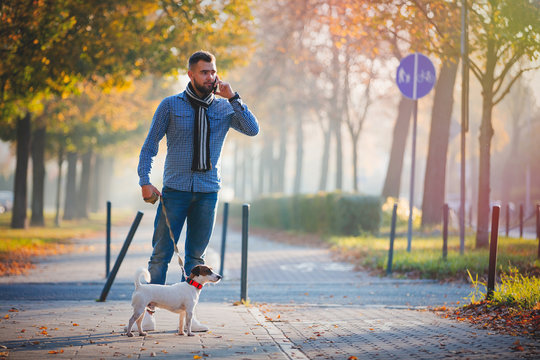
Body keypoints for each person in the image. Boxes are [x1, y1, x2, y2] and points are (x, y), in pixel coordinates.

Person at [137, 50, 259, 331]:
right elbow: (149, 146)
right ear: (190, 74)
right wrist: (145, 179)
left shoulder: (224, 107)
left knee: (196, 258)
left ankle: (189, 317)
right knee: (161, 254)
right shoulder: (170, 106)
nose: (210, 77)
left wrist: (234, 98)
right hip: (175, 191)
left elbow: (252, 130)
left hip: (208, 192)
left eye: (213, 71)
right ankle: (148, 313)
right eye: (204, 72)